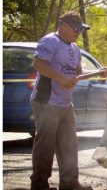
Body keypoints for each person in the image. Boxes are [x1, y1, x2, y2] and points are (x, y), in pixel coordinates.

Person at [30, 11, 95, 190]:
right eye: (76, 28)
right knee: (46, 145)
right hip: (46, 101)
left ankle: (70, 184)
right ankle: (39, 185)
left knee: (69, 144)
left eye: (81, 29)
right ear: (62, 25)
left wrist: (100, 72)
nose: (78, 32)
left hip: (66, 103)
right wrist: (61, 79)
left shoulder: (75, 48)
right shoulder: (50, 41)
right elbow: (38, 64)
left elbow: (77, 73)